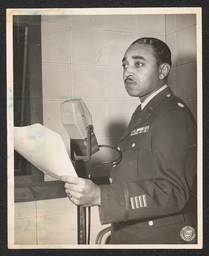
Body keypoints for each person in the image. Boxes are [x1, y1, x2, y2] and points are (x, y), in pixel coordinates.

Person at [61, 37, 197, 244]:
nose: (127, 72)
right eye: (125, 65)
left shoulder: (171, 114)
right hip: (131, 233)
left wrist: (100, 196)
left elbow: (174, 192)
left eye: (138, 64)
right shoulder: (144, 112)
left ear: (162, 71)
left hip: (159, 238)